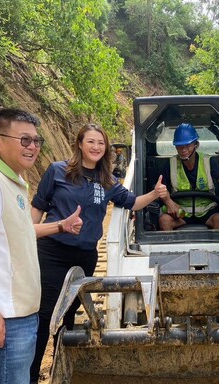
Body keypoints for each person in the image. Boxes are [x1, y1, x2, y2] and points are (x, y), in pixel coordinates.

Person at [30, 123, 166, 383]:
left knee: (68, 318)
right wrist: (28, 234)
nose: (96, 147)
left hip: (85, 256)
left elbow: (133, 202)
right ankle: (31, 374)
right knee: (45, 313)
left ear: (106, 149)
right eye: (90, 141)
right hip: (52, 252)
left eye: (100, 143)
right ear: (79, 144)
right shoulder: (57, 171)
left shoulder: (108, 181)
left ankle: (60, 371)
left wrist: (155, 194)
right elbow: (38, 206)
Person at [0, 108, 83, 384]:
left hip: (19, 317)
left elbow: (22, 232)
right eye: (24, 140)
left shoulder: (13, 181)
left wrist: (61, 225)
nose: (33, 147)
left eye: (37, 141)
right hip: (4, 319)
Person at [158, 123, 219, 230]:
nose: (183, 150)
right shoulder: (170, 163)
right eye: (180, 146)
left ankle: (216, 247)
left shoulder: (208, 161)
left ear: (196, 145)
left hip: (207, 211)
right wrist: (169, 203)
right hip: (181, 213)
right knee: (164, 220)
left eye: (187, 145)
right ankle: (170, 246)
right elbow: (160, 189)